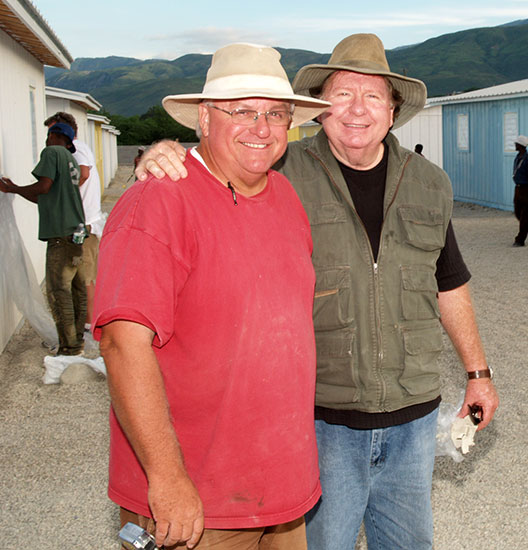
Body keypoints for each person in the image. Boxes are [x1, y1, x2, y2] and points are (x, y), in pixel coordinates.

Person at [136, 33, 499, 550]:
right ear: (319, 111)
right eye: (341, 94)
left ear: (392, 111)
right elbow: (214, 168)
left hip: (413, 413)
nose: (357, 109)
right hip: (319, 418)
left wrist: (478, 372)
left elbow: (449, 282)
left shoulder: (430, 184)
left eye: (373, 95)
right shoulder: (279, 171)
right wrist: (161, 155)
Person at [93, 43, 330, 550]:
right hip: (197, 503)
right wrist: (168, 480)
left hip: (280, 494)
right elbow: (120, 343)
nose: (261, 128)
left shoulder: (286, 197)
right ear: (203, 118)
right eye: (242, 111)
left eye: (275, 113)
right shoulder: (159, 201)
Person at [0, 123, 86, 356]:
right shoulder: (71, 161)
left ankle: (68, 347)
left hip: (60, 235)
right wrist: (16, 190)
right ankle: (77, 340)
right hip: (76, 234)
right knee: (77, 289)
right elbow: (46, 198)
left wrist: (12, 189)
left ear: (53, 136)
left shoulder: (51, 152)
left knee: (59, 291)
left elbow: (44, 187)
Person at [43, 112, 104, 331]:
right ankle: (89, 324)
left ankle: (88, 327)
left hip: (82, 223)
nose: (49, 138)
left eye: (53, 132)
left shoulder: (75, 149)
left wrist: (61, 192)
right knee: (85, 278)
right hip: (88, 221)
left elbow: (84, 173)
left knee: (82, 279)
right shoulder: (81, 148)